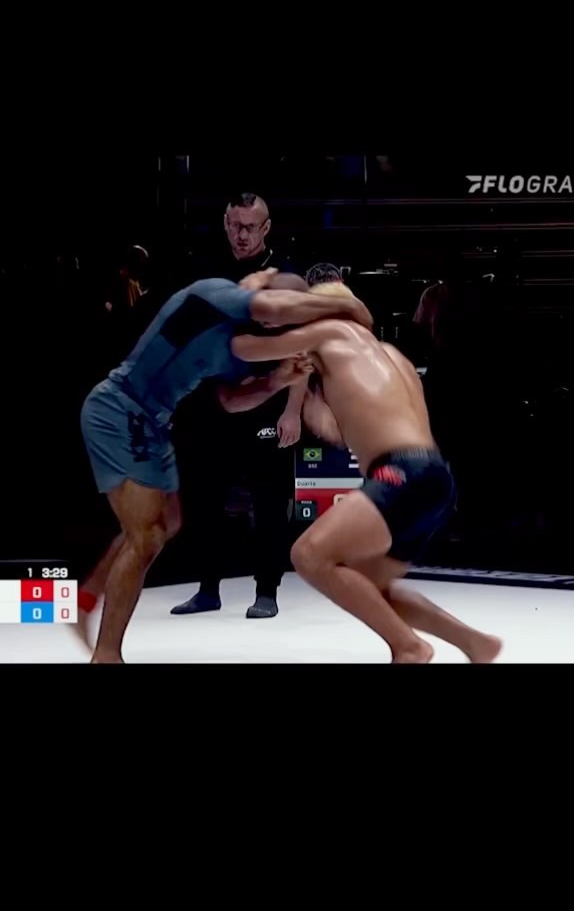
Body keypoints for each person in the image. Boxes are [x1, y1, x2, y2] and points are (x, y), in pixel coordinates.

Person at [78, 272, 373, 663]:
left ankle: (86, 598)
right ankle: (106, 654)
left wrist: (277, 382)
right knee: (146, 536)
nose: (277, 321)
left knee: (166, 523)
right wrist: (345, 307)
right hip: (120, 410)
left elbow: (232, 401)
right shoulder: (215, 295)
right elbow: (275, 307)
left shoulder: (243, 342)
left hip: (153, 422)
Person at [230, 281, 503, 664]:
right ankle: (475, 643)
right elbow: (363, 428)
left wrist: (228, 307)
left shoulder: (329, 332)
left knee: (308, 555)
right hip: (434, 476)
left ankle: (409, 647)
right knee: (372, 589)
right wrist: (316, 409)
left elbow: (245, 348)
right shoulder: (391, 356)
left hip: (400, 473)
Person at [171, 192, 308, 619]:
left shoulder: (285, 277)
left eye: (250, 227)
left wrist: (293, 410)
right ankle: (207, 588)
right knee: (203, 497)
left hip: (267, 399)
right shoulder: (206, 272)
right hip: (211, 400)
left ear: (266, 228)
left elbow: (303, 349)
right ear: (225, 224)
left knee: (269, 501)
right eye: (234, 225)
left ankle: (267, 590)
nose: (241, 234)